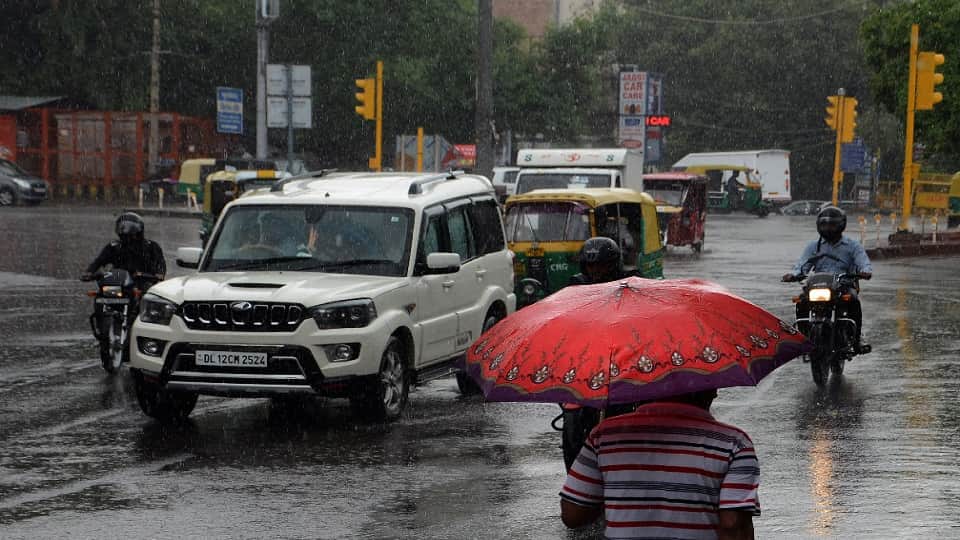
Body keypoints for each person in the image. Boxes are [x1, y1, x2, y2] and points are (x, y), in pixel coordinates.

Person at [560, 389, 759, 539]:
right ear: (712, 391)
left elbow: (573, 514)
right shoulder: (734, 443)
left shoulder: (604, 436)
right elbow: (733, 524)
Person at [560, 237, 635, 471]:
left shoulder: (630, 287)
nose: (596, 271)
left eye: (601, 265)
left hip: (623, 356)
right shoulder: (575, 290)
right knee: (571, 406)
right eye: (591, 266)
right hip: (587, 357)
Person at [781, 205, 872, 354]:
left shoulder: (852, 246)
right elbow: (802, 265)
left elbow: (864, 262)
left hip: (843, 285)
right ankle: (802, 338)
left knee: (854, 301)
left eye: (832, 224)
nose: (828, 228)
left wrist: (865, 272)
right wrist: (793, 274)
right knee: (800, 301)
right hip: (818, 285)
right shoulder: (813, 246)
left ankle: (856, 340)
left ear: (841, 225)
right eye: (824, 224)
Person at [81, 212, 166, 288]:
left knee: (150, 298)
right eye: (122, 228)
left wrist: (158, 274)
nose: (126, 233)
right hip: (119, 283)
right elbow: (99, 261)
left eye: (130, 230)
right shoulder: (114, 247)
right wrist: (90, 272)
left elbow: (160, 263)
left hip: (144, 283)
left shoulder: (151, 246)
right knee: (101, 293)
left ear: (138, 231)